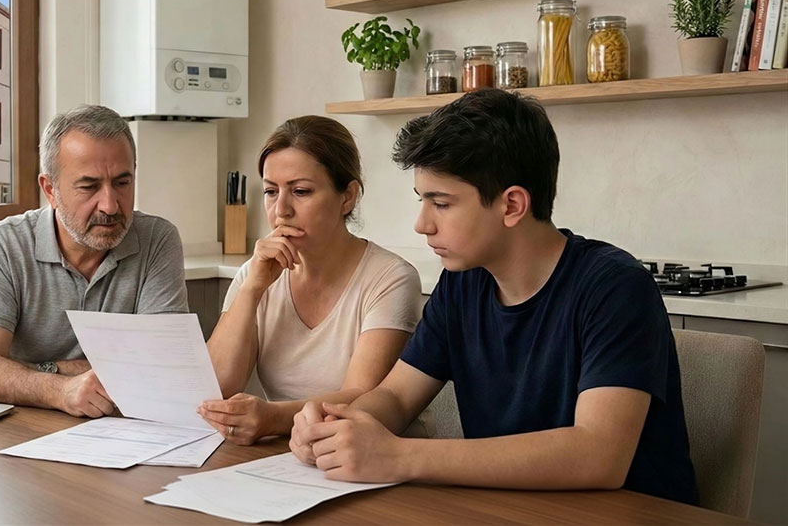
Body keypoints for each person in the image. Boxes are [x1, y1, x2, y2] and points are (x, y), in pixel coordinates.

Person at [289, 89, 698, 505]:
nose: (421, 224)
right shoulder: (462, 283)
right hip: (511, 510)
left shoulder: (615, 288)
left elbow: (598, 454)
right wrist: (341, 426)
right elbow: (396, 396)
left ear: (513, 205)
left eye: (441, 203)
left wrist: (399, 455)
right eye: (422, 200)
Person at [199, 116, 423, 445]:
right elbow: (214, 389)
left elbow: (363, 398)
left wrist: (272, 418)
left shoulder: (390, 278)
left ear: (348, 196)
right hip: (287, 456)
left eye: (301, 191)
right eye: (270, 192)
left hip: (375, 457)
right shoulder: (256, 274)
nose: (281, 210)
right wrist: (251, 290)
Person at [0, 104, 189, 417]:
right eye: (89, 186)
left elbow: (164, 366)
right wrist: (62, 390)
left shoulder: (157, 240)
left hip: (120, 432)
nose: (109, 205)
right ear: (50, 189)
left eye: (122, 183)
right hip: (18, 431)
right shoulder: (2, 244)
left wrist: (36, 369)